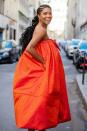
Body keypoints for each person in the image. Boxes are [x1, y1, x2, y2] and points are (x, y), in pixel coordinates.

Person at [13, 4, 71, 131]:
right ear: (38, 15)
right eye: (45, 13)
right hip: (43, 70)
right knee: (41, 102)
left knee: (38, 103)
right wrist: (44, 62)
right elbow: (30, 48)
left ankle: (37, 126)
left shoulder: (42, 28)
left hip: (43, 70)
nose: (48, 15)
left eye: (49, 13)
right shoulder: (41, 29)